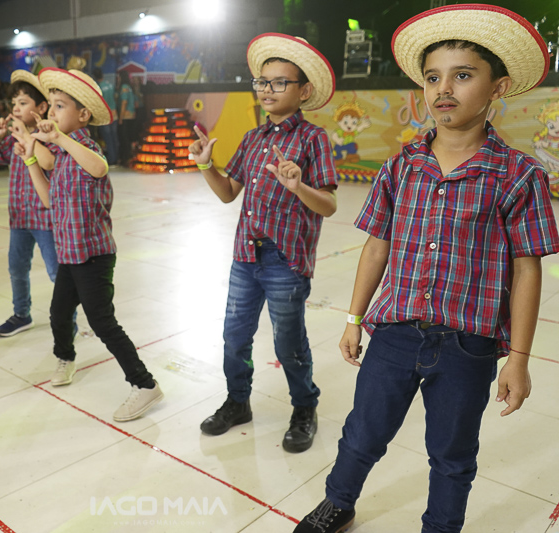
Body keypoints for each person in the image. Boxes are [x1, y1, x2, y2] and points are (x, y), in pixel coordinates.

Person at [294, 5, 559, 533]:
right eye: (433, 77)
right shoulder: (401, 166)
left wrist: (519, 359)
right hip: (394, 334)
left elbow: (527, 272)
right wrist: (353, 319)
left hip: (469, 346)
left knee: (452, 453)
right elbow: (377, 248)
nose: (444, 89)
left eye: (463, 75)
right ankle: (337, 502)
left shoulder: (518, 175)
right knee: (363, 432)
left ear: (498, 87)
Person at [188, 33, 337, 453]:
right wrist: (205, 165)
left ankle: (304, 407)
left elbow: (328, 205)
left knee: (288, 343)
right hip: (244, 256)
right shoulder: (253, 139)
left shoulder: (313, 140)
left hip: (285, 260)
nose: (267, 90)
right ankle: (238, 402)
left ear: (303, 91)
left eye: (279, 82)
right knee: (234, 336)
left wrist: (298, 186)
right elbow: (227, 192)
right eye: (262, 82)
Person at [11, 67, 163, 422]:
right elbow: (48, 200)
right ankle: (65, 358)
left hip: (94, 256)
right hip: (70, 254)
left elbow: (99, 168)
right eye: (51, 106)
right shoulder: (63, 157)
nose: (51, 113)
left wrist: (58, 139)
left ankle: (144, 384)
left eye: (59, 106)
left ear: (82, 115)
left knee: (103, 322)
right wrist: (30, 159)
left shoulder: (84, 149)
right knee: (59, 313)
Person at [0, 71, 59, 337]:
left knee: (56, 273)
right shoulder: (14, 136)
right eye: (14, 102)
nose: (16, 107)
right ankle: (21, 314)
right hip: (19, 218)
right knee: (17, 268)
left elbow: (49, 162)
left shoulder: (47, 135)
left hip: (46, 219)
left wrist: (28, 135)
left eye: (23, 102)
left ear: (42, 107)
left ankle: (67, 319)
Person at [93, 68, 118, 166]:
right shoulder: (110, 85)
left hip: (105, 116)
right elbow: (115, 98)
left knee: (108, 138)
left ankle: (112, 159)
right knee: (114, 137)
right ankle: (117, 158)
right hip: (114, 114)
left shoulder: (98, 88)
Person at [116, 70, 136, 165]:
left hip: (125, 117)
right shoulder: (129, 87)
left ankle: (125, 158)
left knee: (124, 139)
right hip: (131, 116)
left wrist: (120, 118)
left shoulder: (124, 87)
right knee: (128, 137)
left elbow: (124, 102)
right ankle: (129, 158)